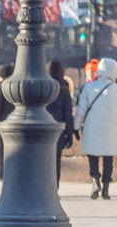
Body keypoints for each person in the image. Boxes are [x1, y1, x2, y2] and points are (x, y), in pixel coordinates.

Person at [74, 57, 117, 199]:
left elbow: (81, 110)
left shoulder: (88, 88)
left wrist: (75, 127)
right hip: (110, 129)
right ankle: (106, 188)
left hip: (92, 127)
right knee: (108, 158)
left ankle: (95, 179)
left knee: (93, 156)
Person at [46, 60, 75, 188]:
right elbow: (68, 116)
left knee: (43, 163)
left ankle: (43, 189)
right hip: (58, 134)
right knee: (56, 163)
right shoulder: (63, 91)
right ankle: (54, 190)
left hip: (42, 133)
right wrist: (69, 136)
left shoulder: (43, 88)